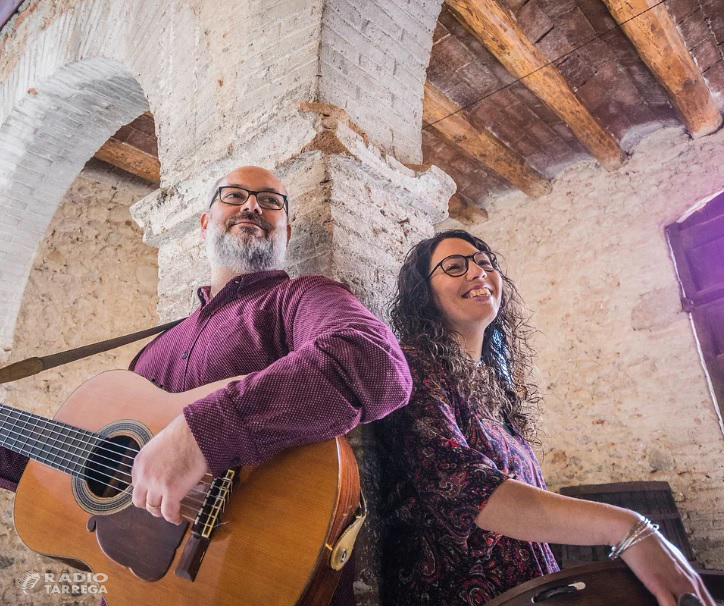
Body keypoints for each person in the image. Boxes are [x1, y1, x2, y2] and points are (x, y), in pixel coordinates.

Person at [0, 165, 413, 606]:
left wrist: (200, 435)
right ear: (204, 223)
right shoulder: (153, 352)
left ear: (286, 232)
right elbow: (84, 476)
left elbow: (376, 363)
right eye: (233, 195)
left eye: (271, 201)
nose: (252, 205)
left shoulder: (299, 298)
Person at [376, 229, 714, 606]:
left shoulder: (494, 390)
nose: (477, 273)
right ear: (424, 294)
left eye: (485, 263)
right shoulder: (412, 365)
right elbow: (465, 488)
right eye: (455, 267)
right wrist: (629, 527)